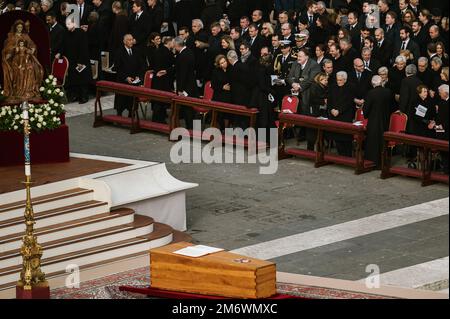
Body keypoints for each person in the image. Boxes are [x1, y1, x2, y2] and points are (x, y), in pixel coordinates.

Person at [57, 17, 91, 104]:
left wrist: (81, 61)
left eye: (68, 24)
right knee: (73, 78)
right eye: (66, 24)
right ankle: (76, 95)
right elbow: (63, 45)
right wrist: (60, 53)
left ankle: (84, 96)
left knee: (82, 79)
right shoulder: (66, 33)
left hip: (81, 60)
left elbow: (84, 48)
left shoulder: (81, 32)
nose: (67, 26)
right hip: (71, 60)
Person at [363, 75, 393, 167]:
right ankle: (383, 162)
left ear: (373, 84)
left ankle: (372, 161)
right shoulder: (388, 92)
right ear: (381, 82)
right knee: (383, 141)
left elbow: (366, 110)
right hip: (385, 120)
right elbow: (391, 106)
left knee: (373, 141)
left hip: (374, 121)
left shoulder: (371, 93)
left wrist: (366, 114)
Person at [113, 34, 145, 116]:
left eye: (132, 40)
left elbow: (141, 65)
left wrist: (139, 76)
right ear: (124, 41)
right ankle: (119, 116)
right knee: (121, 101)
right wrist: (126, 77)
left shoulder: (136, 50)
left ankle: (132, 117)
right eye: (129, 40)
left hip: (134, 81)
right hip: (123, 81)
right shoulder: (119, 52)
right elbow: (117, 68)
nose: (131, 41)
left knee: (132, 103)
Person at [328, 71, 356, 157]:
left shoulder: (350, 87)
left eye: (340, 80)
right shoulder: (333, 87)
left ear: (345, 79)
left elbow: (349, 102)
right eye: (337, 80)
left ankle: (347, 156)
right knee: (337, 136)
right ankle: (340, 155)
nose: (338, 82)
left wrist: (339, 111)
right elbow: (329, 99)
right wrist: (331, 109)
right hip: (334, 115)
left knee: (346, 137)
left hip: (345, 115)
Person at [286, 48, 321, 115]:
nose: (298, 58)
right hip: (295, 94)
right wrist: (293, 84)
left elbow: (311, 80)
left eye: (300, 56)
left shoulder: (314, 65)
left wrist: (299, 86)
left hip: (308, 94)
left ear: (306, 57)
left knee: (305, 115)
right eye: (298, 56)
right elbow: (289, 76)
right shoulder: (295, 63)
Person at [174, 36, 197, 129]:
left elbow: (183, 74)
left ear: (177, 45)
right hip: (191, 85)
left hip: (186, 87)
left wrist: (180, 89)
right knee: (190, 109)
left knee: (188, 109)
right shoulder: (188, 51)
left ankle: (190, 129)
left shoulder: (183, 55)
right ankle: (192, 128)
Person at [151, 36, 175, 123]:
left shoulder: (158, 51)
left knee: (157, 100)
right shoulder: (168, 53)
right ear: (169, 43)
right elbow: (174, 66)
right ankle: (159, 120)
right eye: (173, 42)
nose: (174, 44)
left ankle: (156, 119)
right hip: (163, 80)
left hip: (156, 79)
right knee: (161, 100)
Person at [305, 72, 329, 150]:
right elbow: (313, 99)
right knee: (312, 130)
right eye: (325, 80)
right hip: (313, 111)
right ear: (320, 80)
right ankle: (311, 149)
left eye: (327, 80)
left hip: (320, 111)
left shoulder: (323, 87)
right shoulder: (315, 87)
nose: (326, 81)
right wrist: (324, 101)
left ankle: (320, 148)